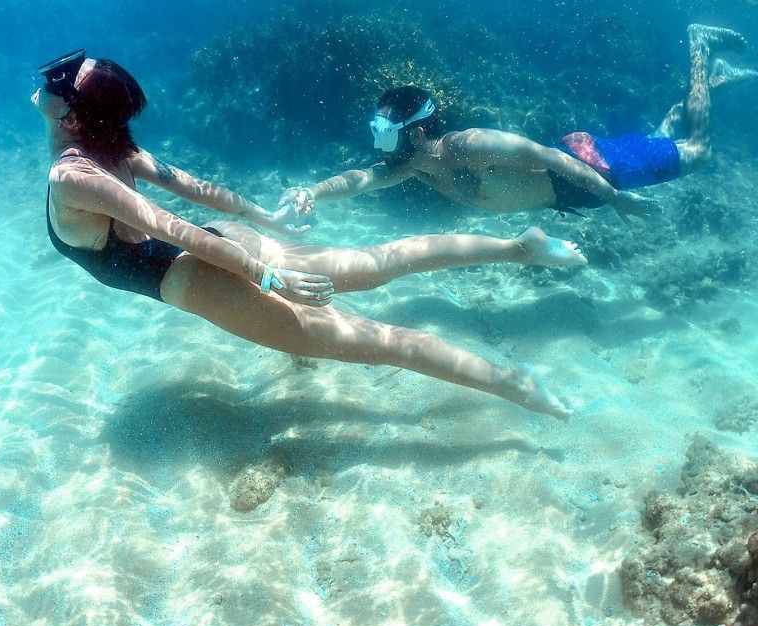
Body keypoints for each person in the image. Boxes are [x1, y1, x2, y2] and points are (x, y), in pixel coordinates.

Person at [33, 50, 589, 421]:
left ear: (72, 120)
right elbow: (202, 196)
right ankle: (521, 248)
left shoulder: (74, 175)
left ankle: (512, 384)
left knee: (369, 340)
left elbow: (168, 227)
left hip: (193, 273)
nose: (43, 86)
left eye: (54, 85)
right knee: (375, 262)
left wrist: (267, 276)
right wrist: (267, 226)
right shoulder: (120, 151)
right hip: (223, 239)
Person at [281, 24, 757, 220]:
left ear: (419, 128)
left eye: (386, 129)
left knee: (698, 154)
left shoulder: (468, 144)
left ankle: (700, 46)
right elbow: (360, 180)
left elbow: (549, 156)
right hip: (575, 189)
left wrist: (614, 199)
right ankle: (712, 84)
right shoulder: (414, 164)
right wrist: (312, 193)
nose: (379, 140)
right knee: (657, 139)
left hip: (593, 168)